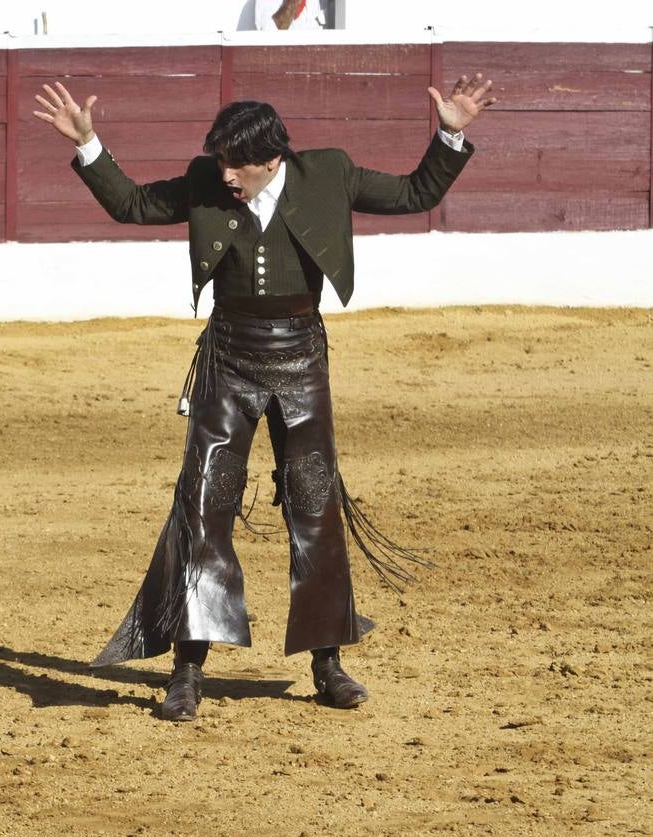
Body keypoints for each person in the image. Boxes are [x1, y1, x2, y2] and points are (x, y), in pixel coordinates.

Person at [33, 74, 495, 720]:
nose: (225, 176)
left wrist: (452, 132)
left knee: (313, 502)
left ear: (272, 160)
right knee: (205, 502)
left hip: (302, 357)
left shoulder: (328, 173)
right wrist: (88, 145)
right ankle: (188, 672)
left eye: (237, 165)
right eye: (220, 161)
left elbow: (416, 192)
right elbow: (134, 205)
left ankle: (328, 664)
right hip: (228, 357)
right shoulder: (204, 180)